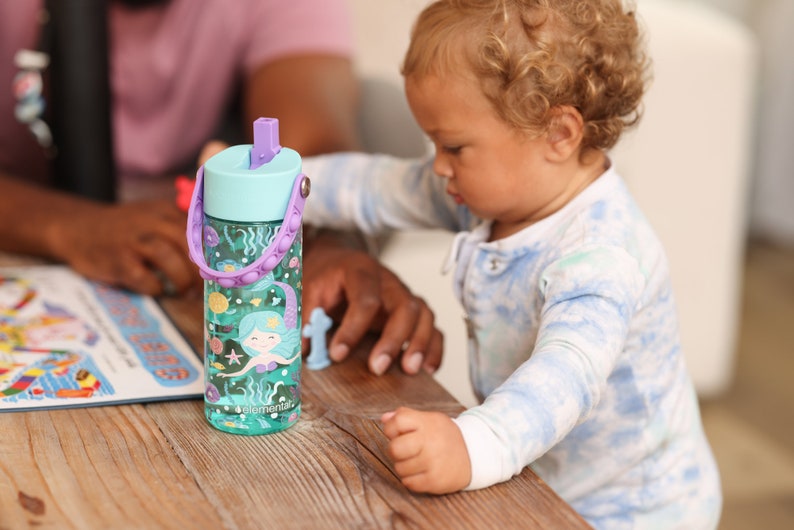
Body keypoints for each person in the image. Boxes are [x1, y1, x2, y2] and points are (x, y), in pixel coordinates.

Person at [299, 0, 722, 527]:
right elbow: (379, 187)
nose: (438, 165)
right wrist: (282, 182)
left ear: (558, 134)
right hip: (541, 469)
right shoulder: (494, 191)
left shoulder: (601, 255)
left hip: (631, 508)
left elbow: (566, 375)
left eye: (453, 146)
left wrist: (474, 445)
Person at [0, 0, 442, 376]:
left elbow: (314, 153)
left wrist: (319, 248)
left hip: (202, 242)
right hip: (31, 217)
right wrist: (70, 226)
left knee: (383, 117)